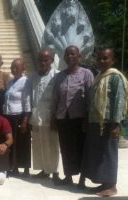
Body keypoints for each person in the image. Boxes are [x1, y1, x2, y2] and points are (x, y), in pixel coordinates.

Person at [82, 48, 128, 197]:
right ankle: (104, 183)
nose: (102, 61)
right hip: (96, 122)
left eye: (105, 58)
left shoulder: (115, 77)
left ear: (112, 60)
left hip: (109, 123)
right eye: (100, 58)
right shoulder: (99, 77)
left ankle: (111, 186)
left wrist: (116, 124)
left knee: (109, 153)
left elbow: (119, 102)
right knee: (100, 153)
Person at [52, 45, 94, 187]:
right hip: (63, 118)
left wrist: (87, 118)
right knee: (65, 147)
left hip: (80, 118)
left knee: (81, 148)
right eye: (67, 55)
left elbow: (90, 97)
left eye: (73, 54)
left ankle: (82, 179)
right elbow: (55, 98)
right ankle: (68, 176)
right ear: (64, 58)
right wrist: (54, 118)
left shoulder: (86, 73)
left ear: (79, 57)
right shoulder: (59, 76)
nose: (70, 57)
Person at [29, 49, 61, 183]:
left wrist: (55, 117)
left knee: (52, 145)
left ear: (51, 61)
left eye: (46, 60)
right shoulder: (33, 76)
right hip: (36, 115)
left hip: (50, 116)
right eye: (40, 60)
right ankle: (44, 170)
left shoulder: (57, 75)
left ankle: (54, 171)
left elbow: (60, 98)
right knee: (39, 144)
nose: (43, 62)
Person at [3, 58, 31, 177]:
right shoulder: (10, 82)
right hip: (9, 116)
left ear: (23, 69)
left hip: (20, 116)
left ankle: (24, 168)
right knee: (11, 143)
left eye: (17, 67)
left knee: (22, 143)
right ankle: (12, 167)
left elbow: (27, 101)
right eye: (12, 67)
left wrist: (25, 120)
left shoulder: (26, 82)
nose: (14, 69)